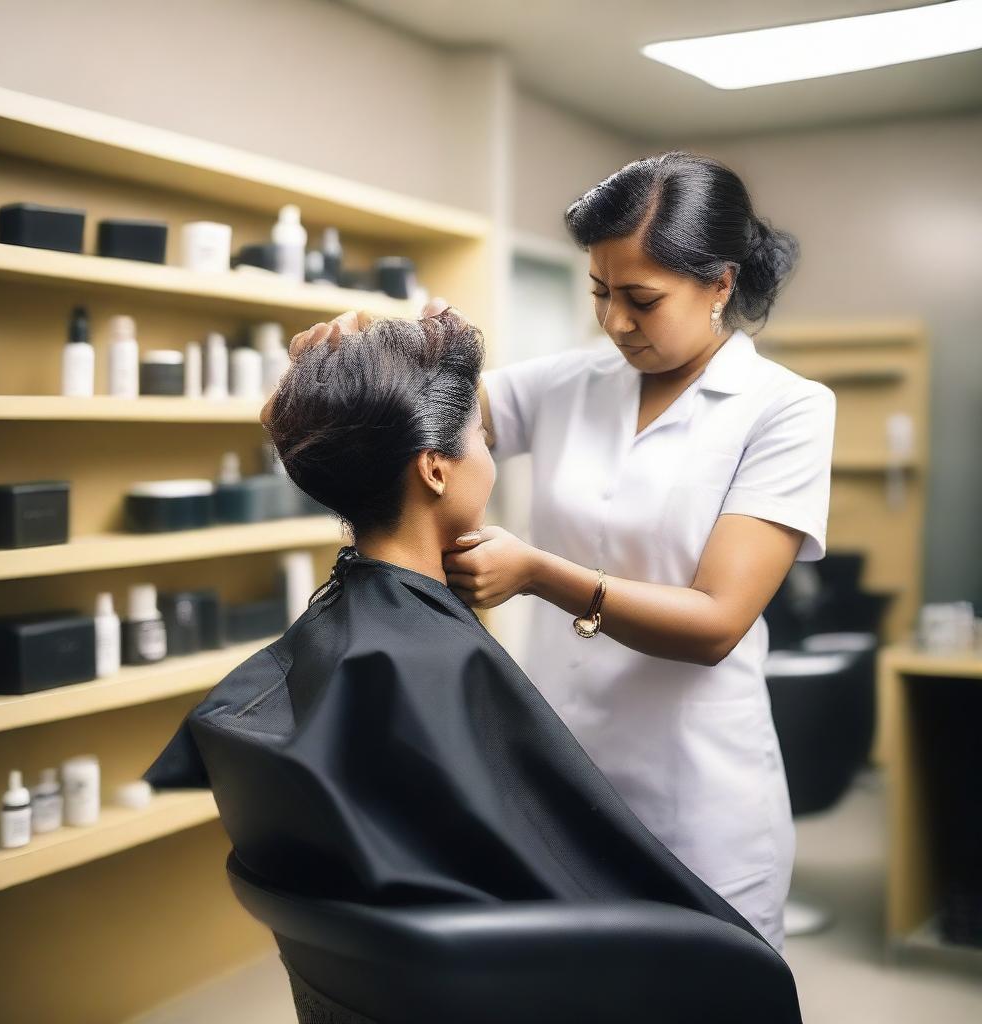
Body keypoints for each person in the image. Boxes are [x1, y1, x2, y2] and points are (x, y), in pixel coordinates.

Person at [142, 311, 801, 1018]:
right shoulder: (420, 663)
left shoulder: (341, 652)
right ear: (433, 468)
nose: (615, 316)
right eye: (482, 439)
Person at [435, 151, 837, 950]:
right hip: (559, 776)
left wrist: (537, 571)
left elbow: (717, 622)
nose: (615, 322)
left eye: (641, 300)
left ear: (720, 283)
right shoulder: (571, 382)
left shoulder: (785, 410)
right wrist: (388, 351)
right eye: (600, 293)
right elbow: (438, 412)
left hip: (700, 803)